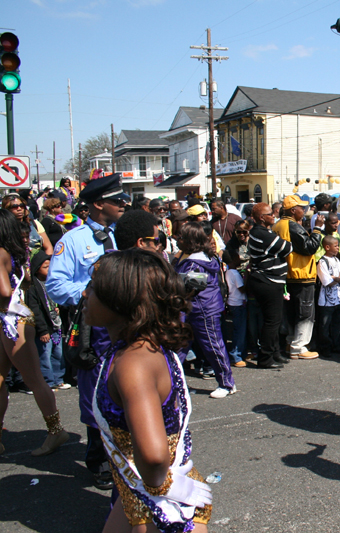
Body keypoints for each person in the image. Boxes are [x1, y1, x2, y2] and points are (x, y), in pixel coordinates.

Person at [87, 249, 212, 532]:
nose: (85, 295)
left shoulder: (134, 362)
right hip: (140, 494)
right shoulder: (137, 348)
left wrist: (164, 486)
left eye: (93, 288)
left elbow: (154, 456)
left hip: (159, 508)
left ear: (120, 299)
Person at [45, 172, 128, 489]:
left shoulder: (120, 235)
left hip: (123, 327)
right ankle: (100, 460)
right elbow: (55, 285)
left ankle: (123, 451)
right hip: (95, 330)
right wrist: (89, 291)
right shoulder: (74, 241)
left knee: (124, 389)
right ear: (97, 204)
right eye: (116, 200)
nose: (123, 204)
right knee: (97, 391)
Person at [0, 210, 69, 456]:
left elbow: (5, 291)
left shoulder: (1, 253)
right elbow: (26, 281)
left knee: (34, 379)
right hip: (13, 317)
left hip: (12, 320)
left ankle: (56, 430)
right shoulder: (16, 253)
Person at [174, 222, 236, 398]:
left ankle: (226, 383)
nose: (178, 240)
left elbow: (191, 288)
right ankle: (174, 384)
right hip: (188, 310)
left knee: (212, 346)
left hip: (203, 309)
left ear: (191, 241)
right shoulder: (185, 257)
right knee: (179, 348)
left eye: (181, 237)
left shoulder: (197, 261)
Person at [273, 195, 324, 360]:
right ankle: (299, 346)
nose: (305, 211)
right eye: (302, 208)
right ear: (293, 210)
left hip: (287, 273)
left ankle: (291, 342)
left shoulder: (277, 225)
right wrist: (317, 229)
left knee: (292, 312)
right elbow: (310, 247)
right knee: (305, 312)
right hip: (301, 274)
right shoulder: (293, 226)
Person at [247, 203, 292, 369]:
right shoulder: (261, 233)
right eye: (270, 214)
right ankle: (265, 359)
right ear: (261, 217)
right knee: (271, 321)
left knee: (274, 320)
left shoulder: (264, 232)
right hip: (268, 282)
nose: (274, 216)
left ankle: (274, 353)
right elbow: (287, 247)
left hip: (270, 281)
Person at [26, 252, 69, 390]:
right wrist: (42, 330)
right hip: (45, 327)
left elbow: (60, 299)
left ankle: (58, 379)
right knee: (45, 355)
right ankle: (47, 381)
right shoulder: (33, 288)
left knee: (58, 354)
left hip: (56, 324)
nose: (49, 270)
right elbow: (35, 311)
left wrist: (59, 308)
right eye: (45, 267)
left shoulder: (52, 283)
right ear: (37, 268)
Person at [316, 235, 340, 359]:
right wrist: (337, 278)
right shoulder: (322, 262)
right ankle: (325, 347)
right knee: (325, 325)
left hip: (337, 298)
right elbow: (326, 281)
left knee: (336, 324)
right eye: (336, 246)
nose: (338, 248)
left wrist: (336, 278)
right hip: (325, 301)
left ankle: (336, 345)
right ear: (327, 247)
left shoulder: (337, 260)